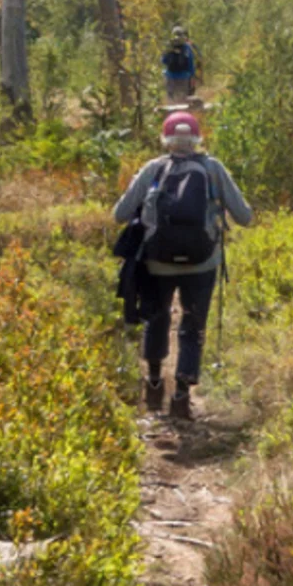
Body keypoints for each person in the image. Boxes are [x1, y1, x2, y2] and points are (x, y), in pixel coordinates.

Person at [113, 111, 253, 420]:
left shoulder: (153, 169)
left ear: (166, 140)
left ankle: (152, 382)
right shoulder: (213, 168)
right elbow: (244, 216)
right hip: (202, 263)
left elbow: (119, 214)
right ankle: (180, 395)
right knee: (192, 324)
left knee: (157, 317)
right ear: (196, 139)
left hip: (157, 262)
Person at [162, 26, 199, 104]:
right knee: (183, 99)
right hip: (184, 77)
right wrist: (192, 76)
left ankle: (171, 114)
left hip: (170, 77)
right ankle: (183, 114)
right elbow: (190, 63)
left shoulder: (169, 46)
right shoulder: (187, 47)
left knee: (171, 98)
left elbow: (163, 60)